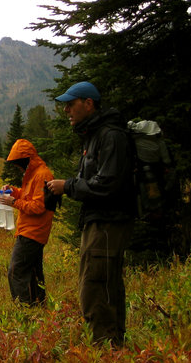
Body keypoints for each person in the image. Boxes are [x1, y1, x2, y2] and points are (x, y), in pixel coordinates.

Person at [46, 81, 135, 347]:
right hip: (99, 221)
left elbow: (107, 185)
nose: (66, 111)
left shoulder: (111, 136)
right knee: (102, 282)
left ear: (89, 103)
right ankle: (113, 344)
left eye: (71, 105)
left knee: (96, 286)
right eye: (65, 106)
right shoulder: (95, 135)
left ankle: (106, 347)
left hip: (109, 222)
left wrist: (68, 186)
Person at [0, 139, 55, 306]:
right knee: (34, 271)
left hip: (32, 232)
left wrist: (13, 202)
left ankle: (23, 308)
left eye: (18, 163)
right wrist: (13, 191)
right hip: (32, 231)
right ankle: (38, 304)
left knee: (16, 271)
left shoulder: (42, 174)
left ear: (26, 159)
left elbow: (38, 206)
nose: (17, 166)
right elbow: (28, 195)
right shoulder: (34, 174)